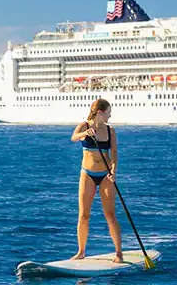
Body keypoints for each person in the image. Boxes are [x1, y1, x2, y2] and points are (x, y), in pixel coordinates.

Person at [69, 98, 123, 262]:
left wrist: (113, 171)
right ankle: (81, 251)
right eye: (108, 113)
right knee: (84, 215)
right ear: (100, 112)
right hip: (87, 174)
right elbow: (74, 137)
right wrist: (85, 133)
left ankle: (119, 253)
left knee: (110, 214)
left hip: (106, 175)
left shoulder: (110, 131)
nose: (110, 116)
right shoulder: (84, 126)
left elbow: (113, 153)